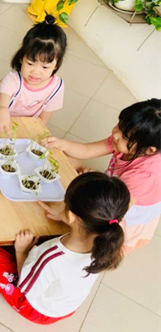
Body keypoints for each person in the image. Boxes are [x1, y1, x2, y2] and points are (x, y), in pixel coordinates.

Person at [0, 172, 130, 324]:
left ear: (72, 216)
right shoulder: (106, 242)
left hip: (40, 310)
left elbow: (26, 286)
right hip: (66, 305)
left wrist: (22, 251)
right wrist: (64, 216)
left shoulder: (51, 256)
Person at [44, 99, 161, 253]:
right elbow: (86, 150)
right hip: (116, 188)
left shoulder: (143, 177)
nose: (115, 134)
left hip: (121, 208)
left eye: (125, 136)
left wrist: (66, 210)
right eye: (119, 125)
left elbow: (112, 211)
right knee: (68, 159)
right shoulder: (124, 142)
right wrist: (62, 144)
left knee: (102, 239)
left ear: (149, 150)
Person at [0, 14, 66, 132]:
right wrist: (2, 110)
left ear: (56, 65)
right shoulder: (13, 79)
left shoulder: (56, 87)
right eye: (30, 63)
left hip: (20, 129)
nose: (35, 72)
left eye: (45, 67)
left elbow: (42, 121)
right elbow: (2, 106)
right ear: (21, 58)